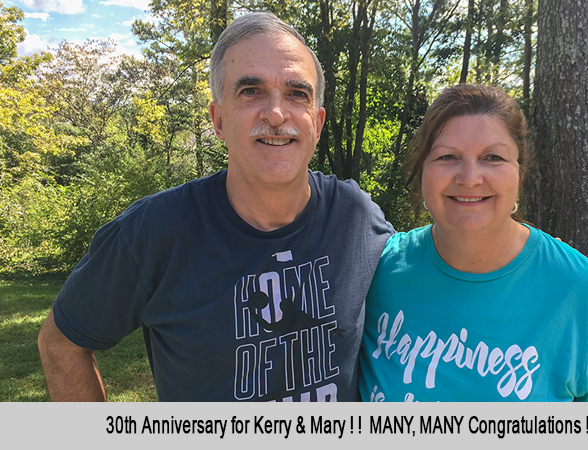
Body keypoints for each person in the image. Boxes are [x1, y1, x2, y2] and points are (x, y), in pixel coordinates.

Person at [37, 11, 393, 402]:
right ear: (218, 119)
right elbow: (61, 343)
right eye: (251, 91)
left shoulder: (356, 219)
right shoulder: (154, 232)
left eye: (297, 93)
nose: (276, 113)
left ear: (318, 122)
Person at [359, 84, 588, 402]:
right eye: (447, 157)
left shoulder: (579, 292)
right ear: (423, 171)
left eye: (493, 157)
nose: (469, 177)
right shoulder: (378, 270)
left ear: (520, 173)